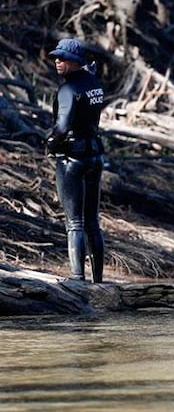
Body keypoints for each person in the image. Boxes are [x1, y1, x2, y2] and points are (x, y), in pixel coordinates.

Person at [46, 38, 106, 283]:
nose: (58, 62)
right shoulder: (94, 83)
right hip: (95, 155)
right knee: (92, 221)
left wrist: (49, 143)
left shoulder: (68, 90)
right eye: (56, 58)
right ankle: (99, 281)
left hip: (72, 158)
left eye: (63, 58)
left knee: (75, 222)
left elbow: (62, 127)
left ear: (76, 61)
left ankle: (77, 279)